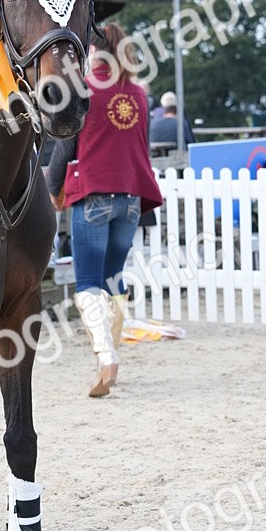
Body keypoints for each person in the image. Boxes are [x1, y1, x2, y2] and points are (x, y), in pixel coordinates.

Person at [46, 23, 163, 397]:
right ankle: (111, 355)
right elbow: (143, 148)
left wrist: (53, 189)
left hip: (92, 193)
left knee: (88, 283)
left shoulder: (83, 89)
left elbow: (65, 147)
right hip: (130, 199)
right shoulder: (140, 95)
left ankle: (106, 356)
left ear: (92, 51)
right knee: (114, 278)